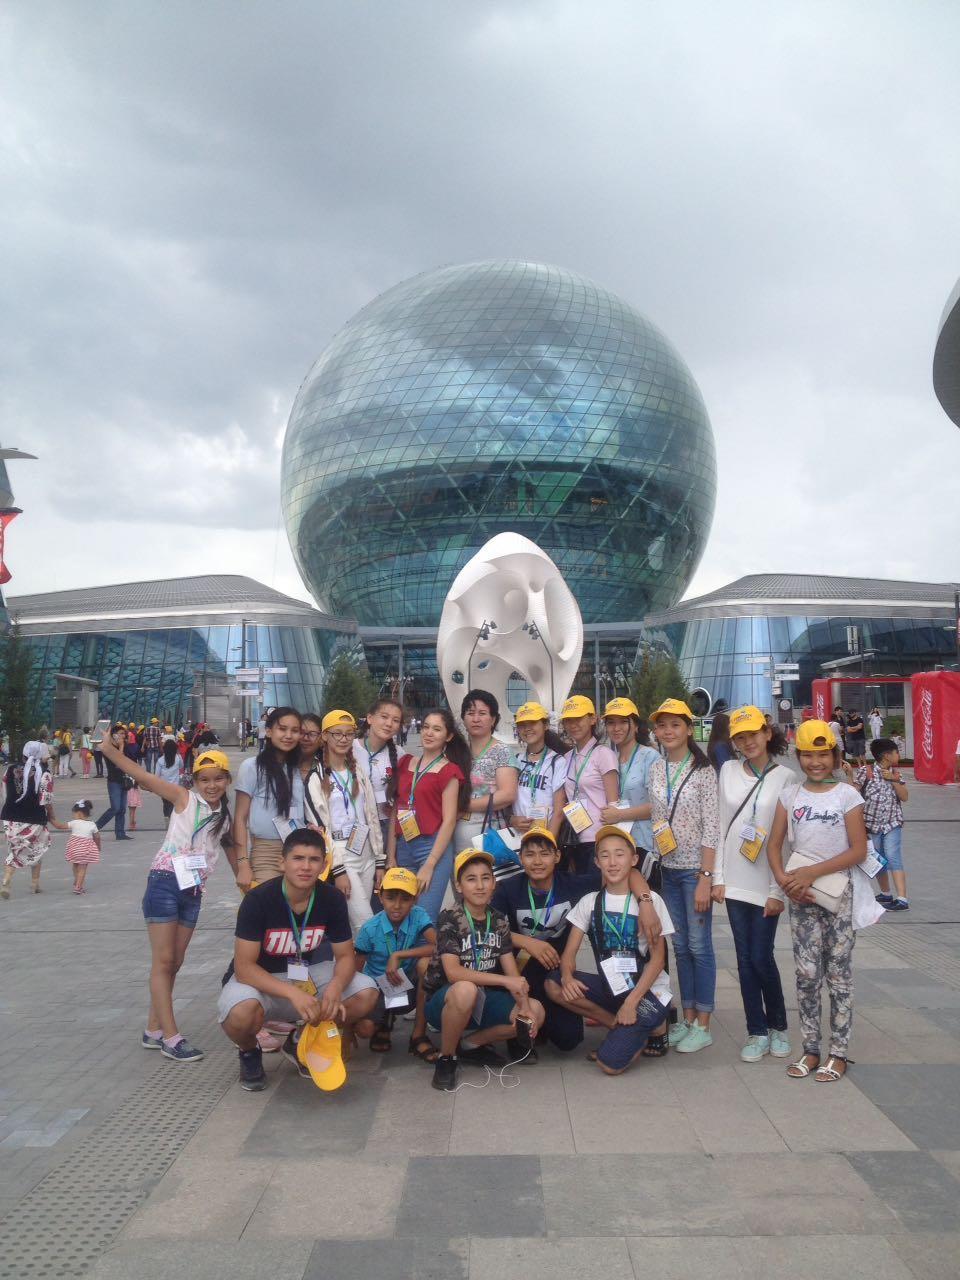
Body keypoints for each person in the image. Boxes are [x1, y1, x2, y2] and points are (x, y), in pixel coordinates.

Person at [98, 731, 234, 1063]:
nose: (212, 785)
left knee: (175, 961)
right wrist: (110, 752)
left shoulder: (225, 816)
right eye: (204, 779)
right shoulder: (184, 798)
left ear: (228, 780)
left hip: (193, 890)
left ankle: (152, 1029)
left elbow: (232, 849)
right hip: (165, 882)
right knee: (163, 961)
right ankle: (171, 1038)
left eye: (218, 778)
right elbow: (144, 776)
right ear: (195, 781)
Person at [218, 828, 379, 1092]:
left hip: (306, 974)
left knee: (366, 992)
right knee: (240, 1013)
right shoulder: (258, 899)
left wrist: (336, 987)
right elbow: (244, 968)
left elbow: (345, 956)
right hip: (261, 980)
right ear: (282, 862)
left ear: (324, 866)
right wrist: (293, 994)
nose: (305, 867)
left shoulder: (332, 898)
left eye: (314, 860)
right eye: (298, 858)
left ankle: (300, 1040)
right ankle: (249, 1051)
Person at [494, 823, 660, 1056]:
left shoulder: (573, 884)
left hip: (553, 971)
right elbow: (489, 928)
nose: (537, 861)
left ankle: (616, 1026)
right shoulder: (508, 888)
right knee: (524, 1032)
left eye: (544, 854)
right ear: (520, 858)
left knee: (569, 1039)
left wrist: (645, 902)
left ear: (557, 856)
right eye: (529, 855)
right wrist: (527, 942)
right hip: (519, 972)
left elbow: (629, 872)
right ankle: (522, 1028)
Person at [767, 720, 868, 1082]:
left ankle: (838, 1053)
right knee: (806, 974)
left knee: (838, 975)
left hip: (838, 895)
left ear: (835, 755)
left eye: (823, 754)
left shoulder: (847, 796)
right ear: (799, 757)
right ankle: (810, 1049)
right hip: (800, 896)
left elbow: (858, 850)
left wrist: (813, 872)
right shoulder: (790, 795)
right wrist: (785, 881)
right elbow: (773, 845)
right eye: (808, 755)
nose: (815, 762)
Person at [545, 825, 674, 1075]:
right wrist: (568, 977)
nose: (612, 862)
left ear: (633, 860)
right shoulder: (590, 902)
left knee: (609, 1064)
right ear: (596, 862)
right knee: (553, 983)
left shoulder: (650, 901)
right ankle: (619, 1026)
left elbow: (658, 960)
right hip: (613, 986)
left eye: (619, 854)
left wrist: (632, 1003)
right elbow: (569, 954)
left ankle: (649, 1025)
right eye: (605, 855)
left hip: (648, 993)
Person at [424, 848, 545, 1092]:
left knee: (536, 1011)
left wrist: (523, 1006)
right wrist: (505, 982)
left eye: (485, 878)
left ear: (494, 884)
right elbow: (453, 973)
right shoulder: (450, 917)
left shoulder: (499, 920)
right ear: (459, 886)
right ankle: (447, 1058)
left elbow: (512, 972)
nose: (480, 886)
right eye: (471, 879)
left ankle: (470, 1044)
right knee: (465, 989)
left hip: (484, 997)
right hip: (447, 999)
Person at [715, 705, 795, 1062]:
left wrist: (779, 890)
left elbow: (789, 840)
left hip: (767, 883)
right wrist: (717, 878)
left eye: (753, 734)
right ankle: (756, 1030)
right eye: (741, 737)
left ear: (767, 734)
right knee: (745, 959)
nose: (748, 742)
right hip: (734, 881)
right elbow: (720, 827)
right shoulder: (728, 771)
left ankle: (778, 1026)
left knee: (762, 956)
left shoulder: (786, 778)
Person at [648, 698, 720, 1054]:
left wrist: (706, 876)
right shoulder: (656, 768)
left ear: (689, 729)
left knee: (699, 945)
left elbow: (712, 826)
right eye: (662, 725)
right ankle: (688, 1017)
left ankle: (703, 1023)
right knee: (678, 946)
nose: (668, 731)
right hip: (668, 869)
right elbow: (657, 818)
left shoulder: (704, 771)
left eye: (675, 724)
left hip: (694, 871)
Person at [304, 710, 384, 934]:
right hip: (341, 854)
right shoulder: (315, 777)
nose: (343, 739)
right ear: (325, 736)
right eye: (337, 733)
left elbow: (372, 817)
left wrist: (379, 860)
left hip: (366, 850)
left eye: (349, 734)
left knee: (356, 925)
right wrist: (338, 870)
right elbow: (320, 829)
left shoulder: (358, 771)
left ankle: (350, 957)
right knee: (365, 923)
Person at [386, 708, 470, 922]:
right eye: (425, 727)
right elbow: (396, 810)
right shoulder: (405, 763)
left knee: (424, 919)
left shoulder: (449, 771)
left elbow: (449, 820)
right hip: (404, 846)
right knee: (401, 917)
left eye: (437, 729)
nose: (429, 733)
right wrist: (391, 855)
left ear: (448, 736)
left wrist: (430, 864)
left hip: (431, 849)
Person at [354, 865, 438, 1061]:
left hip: (407, 983)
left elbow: (438, 946)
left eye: (405, 899)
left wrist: (399, 955)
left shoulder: (418, 915)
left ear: (415, 900)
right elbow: (354, 972)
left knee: (426, 965)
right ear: (380, 897)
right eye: (391, 898)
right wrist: (348, 1027)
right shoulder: (369, 929)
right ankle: (383, 1021)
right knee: (364, 1029)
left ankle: (418, 1035)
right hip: (377, 988)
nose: (397, 905)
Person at [233, 706, 305, 887]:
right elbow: (240, 818)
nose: (288, 735)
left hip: (299, 851)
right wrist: (242, 863)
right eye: (282, 729)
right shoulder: (252, 767)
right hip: (266, 852)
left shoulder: (298, 768)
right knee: (270, 901)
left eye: (295, 730)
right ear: (268, 731)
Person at [559, 695, 619, 875]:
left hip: (598, 838)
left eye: (578, 718)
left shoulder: (603, 754)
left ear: (593, 719)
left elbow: (614, 804)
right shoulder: (567, 758)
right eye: (568, 720)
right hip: (574, 838)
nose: (573, 725)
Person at [455, 691, 518, 854]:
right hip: (456, 843)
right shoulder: (457, 752)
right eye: (470, 713)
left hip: (490, 840)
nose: (476, 719)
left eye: (482, 713)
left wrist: (463, 805)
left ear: (493, 719)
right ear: (463, 718)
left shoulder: (501, 751)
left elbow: (507, 794)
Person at [857, 737, 909, 911]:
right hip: (872, 824)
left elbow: (904, 797)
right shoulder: (866, 772)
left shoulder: (896, 774)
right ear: (887, 755)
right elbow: (854, 793)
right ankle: (886, 894)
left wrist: (893, 780)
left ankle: (902, 898)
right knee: (878, 859)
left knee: (893, 856)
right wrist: (849, 775)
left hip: (892, 822)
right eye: (896, 752)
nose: (898, 755)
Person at [1, 741, 57, 898]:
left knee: (16, 849)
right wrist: (52, 816)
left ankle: (12, 880)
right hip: (34, 818)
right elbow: (46, 800)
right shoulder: (45, 774)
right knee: (36, 849)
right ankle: (32, 884)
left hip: (10, 817)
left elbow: (4, 792)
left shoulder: (10, 769)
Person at [510, 702, 567, 836]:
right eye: (522, 725)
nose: (527, 728)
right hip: (518, 838)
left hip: (545, 836)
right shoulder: (516, 760)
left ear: (545, 725)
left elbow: (558, 812)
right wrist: (512, 819)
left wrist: (548, 842)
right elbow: (508, 802)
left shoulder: (557, 761)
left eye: (532, 723)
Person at [353, 698, 403, 847]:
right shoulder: (351, 748)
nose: (389, 724)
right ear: (369, 718)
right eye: (384, 717)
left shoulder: (400, 754)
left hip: (386, 823)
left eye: (395, 720)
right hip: (357, 822)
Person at [94, 725, 134, 841]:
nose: (123, 736)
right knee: (115, 807)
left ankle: (120, 833)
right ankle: (95, 827)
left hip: (124, 780)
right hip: (114, 781)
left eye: (124, 734)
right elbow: (118, 762)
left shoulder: (125, 747)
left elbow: (130, 760)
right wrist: (121, 746)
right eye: (120, 733)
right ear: (114, 735)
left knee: (122, 809)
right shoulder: (109, 748)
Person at [59, 799, 101, 895]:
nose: (73, 815)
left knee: (75, 865)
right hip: (85, 850)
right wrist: (98, 847)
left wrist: (52, 819)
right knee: (82, 869)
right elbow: (97, 837)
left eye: (74, 813)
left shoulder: (74, 822)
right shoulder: (92, 824)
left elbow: (60, 826)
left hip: (74, 849)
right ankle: (78, 887)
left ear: (79, 813)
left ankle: (77, 880)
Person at [154, 739, 184, 819]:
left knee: (166, 803)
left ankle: (167, 817)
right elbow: (181, 766)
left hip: (163, 787)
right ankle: (172, 818)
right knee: (173, 803)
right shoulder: (178, 758)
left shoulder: (160, 760)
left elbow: (156, 775)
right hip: (175, 786)